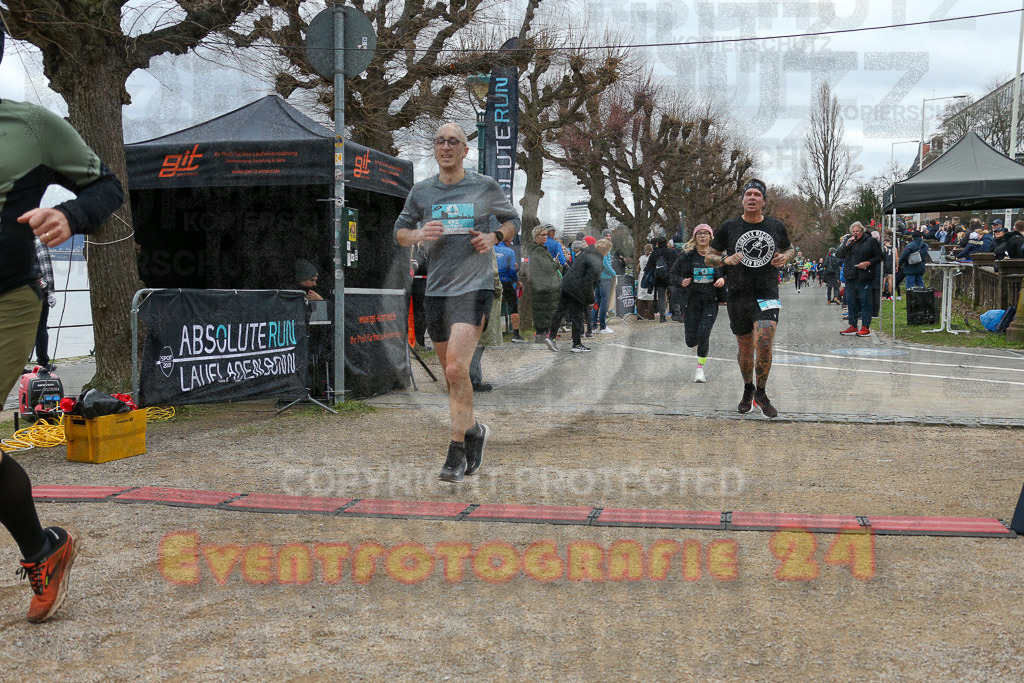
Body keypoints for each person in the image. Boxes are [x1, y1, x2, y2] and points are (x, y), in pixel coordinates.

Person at [1, 78, 124, 621]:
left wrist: (70, 216)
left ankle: (42, 550)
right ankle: (43, 550)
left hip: (6, 299)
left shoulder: (31, 125)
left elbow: (106, 187)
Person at [393, 122, 521, 483]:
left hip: (474, 287)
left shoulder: (484, 186)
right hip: (436, 290)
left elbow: (513, 221)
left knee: (454, 369)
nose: (446, 146)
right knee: (455, 377)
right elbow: (399, 233)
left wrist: (494, 236)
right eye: (440, 141)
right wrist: (418, 234)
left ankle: (455, 451)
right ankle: (474, 430)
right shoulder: (421, 192)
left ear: (466, 150)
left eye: (454, 141)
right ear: (435, 149)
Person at [705, 179, 794, 418]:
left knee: (764, 341)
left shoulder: (775, 226)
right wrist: (725, 260)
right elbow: (708, 257)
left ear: (763, 201)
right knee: (745, 351)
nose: (752, 198)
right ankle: (748, 389)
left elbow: (790, 249)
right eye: (748, 194)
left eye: (757, 195)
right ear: (743, 200)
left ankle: (762, 393)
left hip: (767, 294)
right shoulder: (729, 227)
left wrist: (785, 257)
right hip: (738, 296)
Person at [675, 224, 725, 383]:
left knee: (704, 333)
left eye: (706, 234)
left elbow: (731, 274)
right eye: (699, 234)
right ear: (695, 237)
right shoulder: (686, 257)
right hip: (691, 301)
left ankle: (700, 369)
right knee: (691, 340)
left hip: (711, 301)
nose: (703, 236)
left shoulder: (718, 257)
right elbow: (672, 275)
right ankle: (700, 347)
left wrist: (723, 279)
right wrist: (681, 281)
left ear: (711, 237)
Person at [545, 239, 611, 353]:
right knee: (578, 316)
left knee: (560, 311)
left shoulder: (584, 254)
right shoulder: (596, 262)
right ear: (605, 251)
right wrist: (591, 300)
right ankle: (576, 344)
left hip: (566, 284)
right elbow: (588, 282)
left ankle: (551, 337)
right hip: (577, 290)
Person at [836, 221, 883, 337]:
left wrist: (868, 262)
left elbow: (880, 256)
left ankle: (865, 327)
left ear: (862, 231)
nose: (855, 233)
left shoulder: (870, 241)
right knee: (851, 301)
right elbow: (839, 254)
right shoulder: (849, 241)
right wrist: (846, 245)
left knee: (865, 301)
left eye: (857, 231)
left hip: (864, 275)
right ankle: (853, 325)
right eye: (853, 231)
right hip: (850, 275)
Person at [528, 224, 561, 342]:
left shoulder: (539, 250)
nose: (545, 237)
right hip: (543, 287)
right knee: (543, 313)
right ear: (536, 236)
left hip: (541, 286)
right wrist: (556, 263)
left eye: (546, 235)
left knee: (542, 313)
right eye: (542, 235)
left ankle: (541, 336)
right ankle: (543, 336)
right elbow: (549, 267)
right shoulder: (539, 251)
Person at [495, 233, 526, 342]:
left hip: (491, 281)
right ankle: (516, 335)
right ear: (508, 239)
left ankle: (489, 335)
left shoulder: (491, 249)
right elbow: (511, 272)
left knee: (490, 308)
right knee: (513, 306)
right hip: (506, 282)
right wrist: (517, 283)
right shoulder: (510, 251)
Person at [31, 237, 57, 369]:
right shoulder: (38, 241)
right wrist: (51, 290)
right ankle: (42, 361)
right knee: (41, 327)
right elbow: (46, 266)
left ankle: (16, 364)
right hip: (37, 290)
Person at [643, 236, 677, 322]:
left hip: (658, 278)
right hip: (670, 277)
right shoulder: (672, 252)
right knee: (674, 295)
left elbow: (649, 268)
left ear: (657, 244)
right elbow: (677, 265)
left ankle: (662, 316)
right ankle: (676, 314)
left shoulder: (654, 254)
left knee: (661, 297)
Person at [592, 238, 616, 334]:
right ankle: (603, 326)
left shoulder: (595, 254)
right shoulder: (604, 255)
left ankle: (593, 325)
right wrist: (613, 273)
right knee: (604, 303)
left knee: (596, 302)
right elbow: (605, 264)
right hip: (605, 279)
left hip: (597, 278)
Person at [636, 244, 655, 319]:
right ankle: (650, 315)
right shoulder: (652, 258)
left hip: (642, 276)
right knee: (650, 296)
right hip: (650, 276)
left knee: (641, 296)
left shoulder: (641, 258)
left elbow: (639, 268)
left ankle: (640, 315)